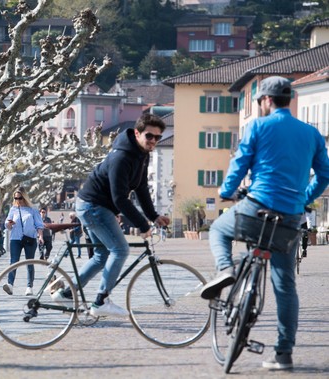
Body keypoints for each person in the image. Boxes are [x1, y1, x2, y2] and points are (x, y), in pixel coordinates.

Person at [199, 76, 329, 370]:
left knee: (219, 229)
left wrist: (225, 191)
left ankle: (225, 269)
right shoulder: (312, 134)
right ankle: (283, 353)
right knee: (285, 284)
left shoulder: (257, 126)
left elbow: (240, 162)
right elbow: (324, 175)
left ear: (266, 100)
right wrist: (302, 198)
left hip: (255, 209)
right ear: (289, 99)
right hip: (290, 217)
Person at [52, 113, 170, 317]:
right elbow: (119, 198)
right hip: (94, 206)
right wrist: (142, 225)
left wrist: (153, 216)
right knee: (120, 250)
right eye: (149, 136)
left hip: (95, 205)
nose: (153, 141)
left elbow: (141, 188)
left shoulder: (142, 154)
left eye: (158, 138)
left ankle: (66, 293)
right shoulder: (122, 157)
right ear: (137, 133)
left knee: (102, 255)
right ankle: (101, 301)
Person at [3, 187, 44, 296]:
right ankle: (10, 284)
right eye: (15, 198)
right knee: (13, 262)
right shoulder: (13, 209)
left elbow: (39, 225)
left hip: (29, 238)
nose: (18, 200)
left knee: (29, 262)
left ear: (24, 197)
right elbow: (7, 225)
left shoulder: (33, 210)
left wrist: (40, 237)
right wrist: (9, 224)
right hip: (15, 238)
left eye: (20, 198)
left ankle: (29, 287)